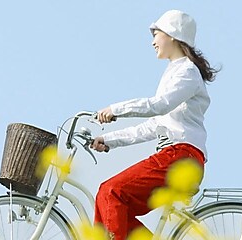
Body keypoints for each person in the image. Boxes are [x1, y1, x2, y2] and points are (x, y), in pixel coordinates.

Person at [89, 9, 219, 239]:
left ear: (172, 35)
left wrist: (115, 110)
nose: (152, 42)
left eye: (155, 34)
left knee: (111, 192)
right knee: (109, 200)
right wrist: (109, 140)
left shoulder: (187, 72)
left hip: (180, 155)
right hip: (175, 156)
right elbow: (153, 125)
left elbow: (159, 106)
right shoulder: (174, 72)